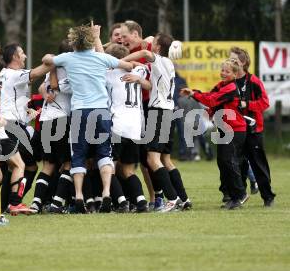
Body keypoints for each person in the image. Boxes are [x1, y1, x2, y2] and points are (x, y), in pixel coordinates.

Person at [42, 23, 133, 213]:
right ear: (91, 41)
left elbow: (47, 59)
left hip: (79, 112)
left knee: (79, 156)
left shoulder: (67, 58)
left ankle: (79, 196)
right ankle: (107, 192)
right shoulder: (101, 57)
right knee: (103, 154)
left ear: (74, 42)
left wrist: (51, 58)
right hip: (101, 111)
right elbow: (127, 64)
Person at [122, 33, 191, 212]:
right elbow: (153, 86)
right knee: (165, 160)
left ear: (158, 47)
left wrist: (120, 60)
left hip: (159, 113)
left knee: (152, 159)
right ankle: (184, 199)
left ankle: (172, 198)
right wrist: (138, 79)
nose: (152, 44)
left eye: (155, 43)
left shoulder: (160, 59)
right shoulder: (167, 65)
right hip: (167, 112)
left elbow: (144, 52)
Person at [181, 59, 247, 209]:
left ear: (235, 74)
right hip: (224, 129)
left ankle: (240, 194)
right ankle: (231, 196)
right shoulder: (222, 86)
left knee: (229, 161)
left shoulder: (231, 87)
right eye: (222, 70)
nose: (223, 73)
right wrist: (208, 109)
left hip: (235, 130)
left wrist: (194, 95)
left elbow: (212, 100)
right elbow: (214, 100)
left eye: (227, 71)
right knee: (223, 162)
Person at [0, 43, 51, 214]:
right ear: (14, 56)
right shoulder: (14, 74)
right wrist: (56, 60)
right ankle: (14, 203)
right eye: (22, 53)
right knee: (28, 166)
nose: (25, 56)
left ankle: (3, 203)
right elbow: (38, 71)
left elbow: (30, 78)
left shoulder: (4, 74)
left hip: (7, 124)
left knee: (10, 168)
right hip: (13, 126)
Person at [30, 39, 73, 214]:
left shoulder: (50, 69)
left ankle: (36, 203)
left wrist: (44, 93)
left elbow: (42, 86)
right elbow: (53, 86)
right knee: (68, 164)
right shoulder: (72, 70)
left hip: (46, 121)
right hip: (61, 120)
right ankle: (56, 203)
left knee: (48, 165)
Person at [105, 43, 150, 212]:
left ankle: (122, 202)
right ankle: (141, 201)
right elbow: (143, 67)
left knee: (109, 168)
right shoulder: (139, 71)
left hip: (117, 125)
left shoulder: (109, 73)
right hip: (135, 128)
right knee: (129, 170)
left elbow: (102, 62)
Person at [229, 46, 275, 207]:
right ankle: (237, 197)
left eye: (233, 59)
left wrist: (246, 103)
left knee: (258, 164)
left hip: (253, 130)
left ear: (243, 62)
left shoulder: (254, 81)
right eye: (229, 59)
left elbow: (265, 103)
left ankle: (268, 196)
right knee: (237, 163)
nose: (230, 62)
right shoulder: (230, 81)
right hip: (237, 130)